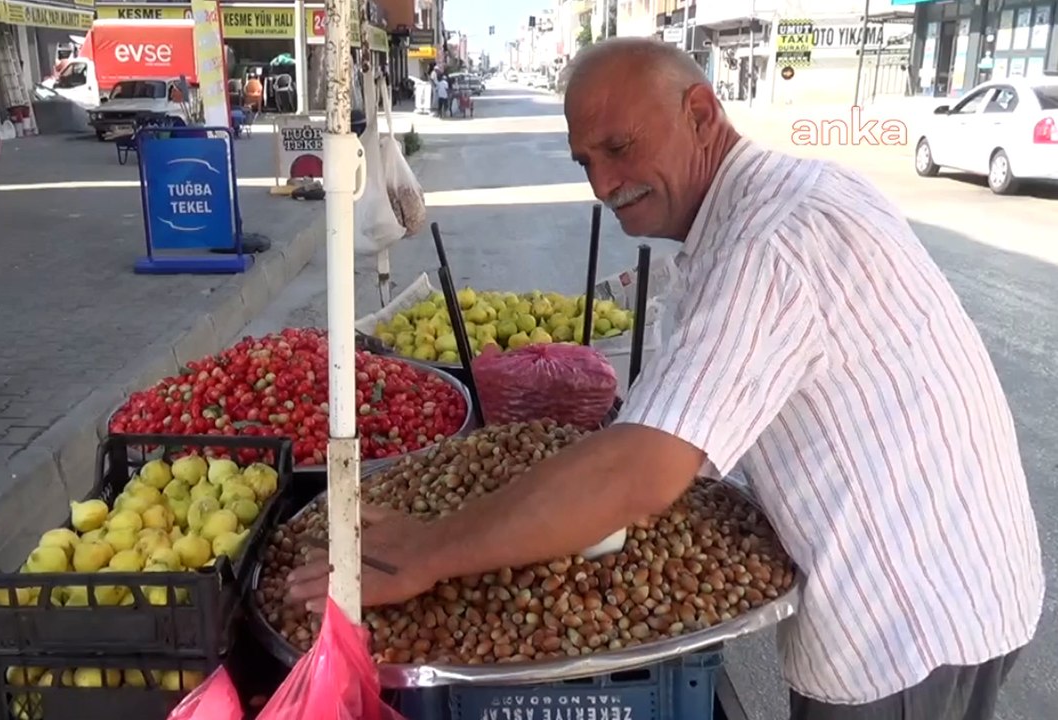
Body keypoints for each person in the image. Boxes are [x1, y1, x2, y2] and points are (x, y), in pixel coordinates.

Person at [287, 38, 1044, 720]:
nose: (604, 183)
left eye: (619, 147)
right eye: (586, 161)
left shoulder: (768, 244)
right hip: (953, 584)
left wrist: (427, 551)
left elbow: (639, 473)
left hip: (908, 623)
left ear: (702, 113)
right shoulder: (786, 193)